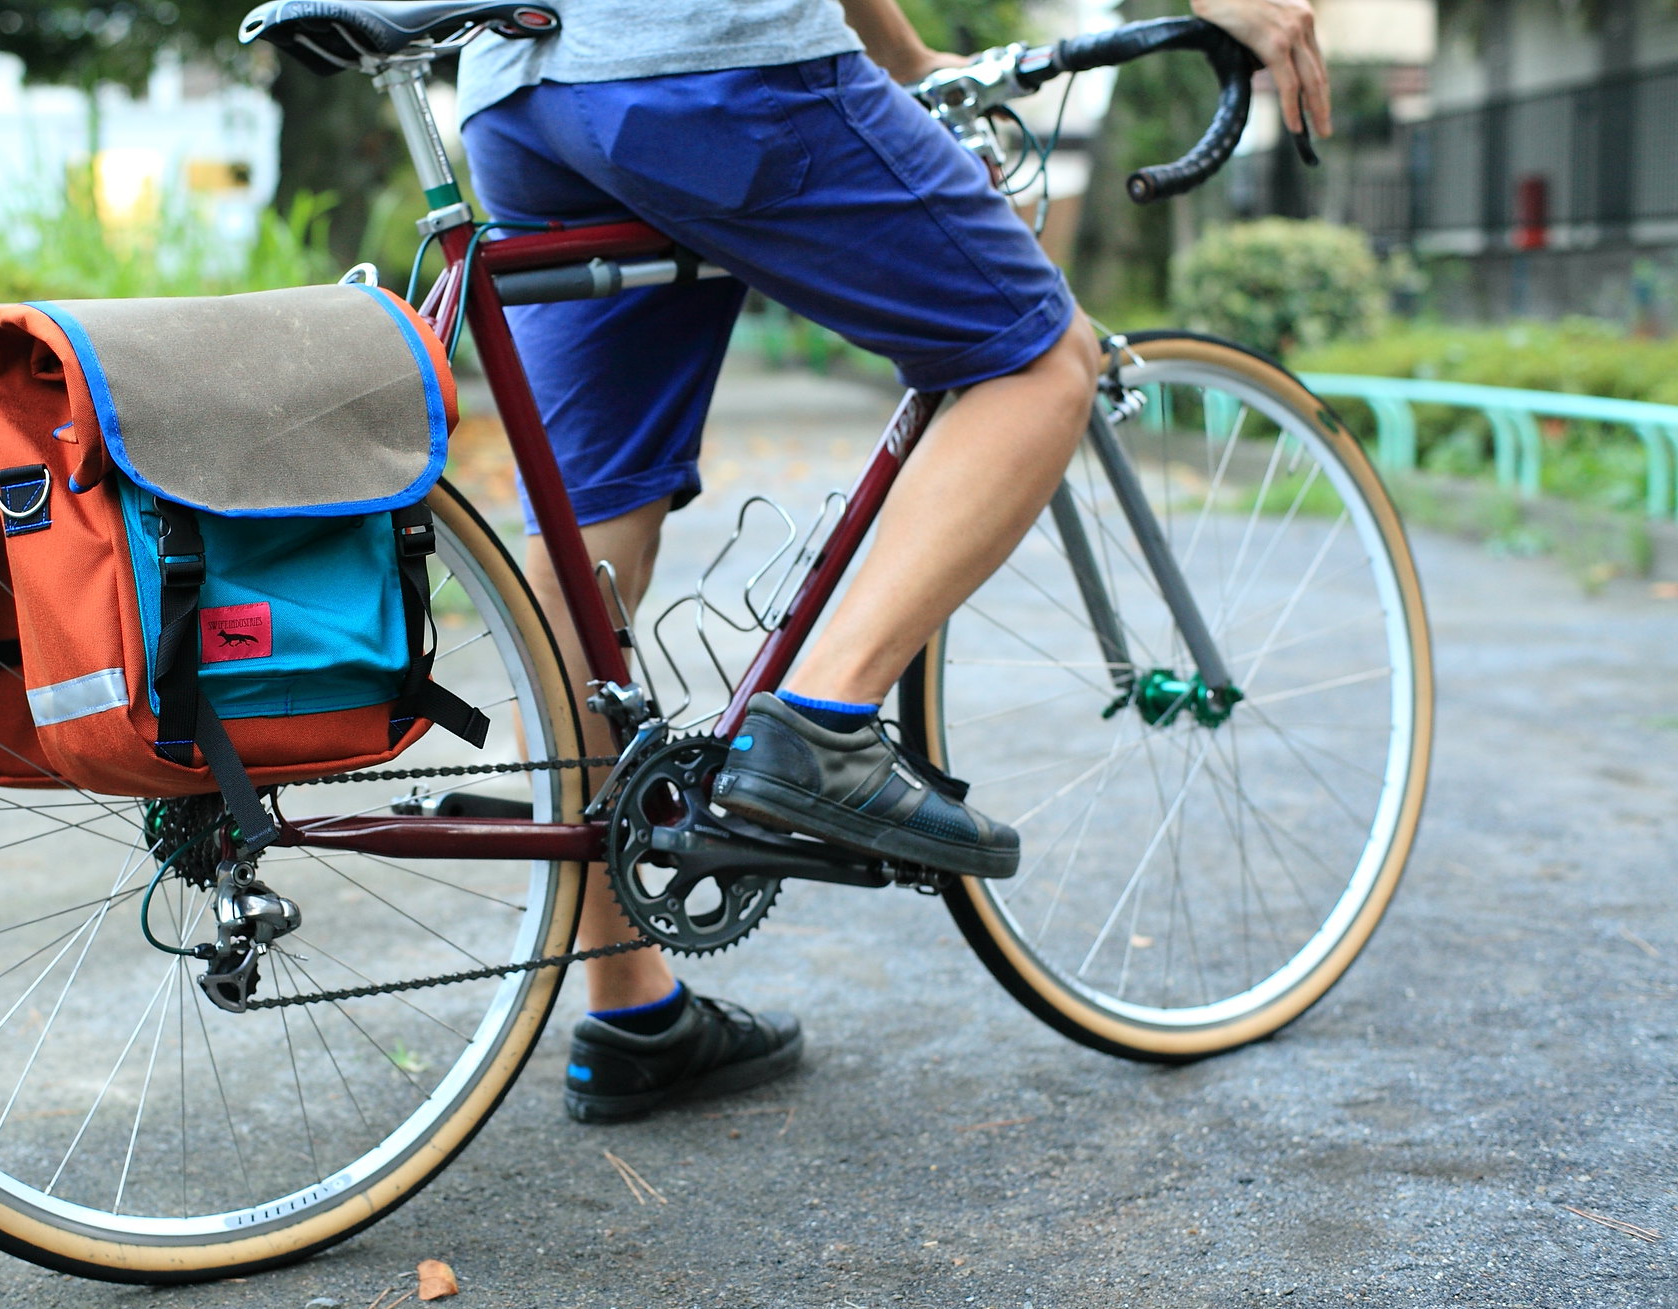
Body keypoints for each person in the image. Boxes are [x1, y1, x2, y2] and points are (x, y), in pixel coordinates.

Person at [453, 0, 1333, 1123]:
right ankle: (820, 726)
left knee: (588, 537)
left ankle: (634, 1009)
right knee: (1043, 361)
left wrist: (904, 57)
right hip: (701, 64)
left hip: (519, 91)